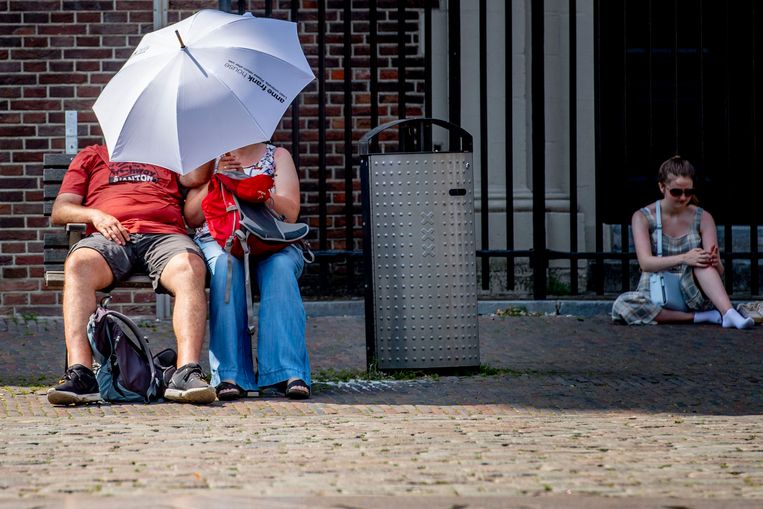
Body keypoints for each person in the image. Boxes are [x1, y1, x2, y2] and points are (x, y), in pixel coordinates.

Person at [47, 144, 217, 405]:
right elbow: (61, 209)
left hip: (164, 235)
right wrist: (95, 215)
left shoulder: (168, 152)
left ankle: (185, 372)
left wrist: (213, 140)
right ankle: (81, 374)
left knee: (190, 267)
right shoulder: (92, 155)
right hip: (110, 236)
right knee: (79, 263)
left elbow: (195, 178)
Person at [183, 142, 312, 401]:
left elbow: (291, 212)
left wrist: (255, 189)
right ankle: (230, 375)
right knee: (226, 266)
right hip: (221, 239)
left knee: (280, 269)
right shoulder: (211, 158)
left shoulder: (277, 156)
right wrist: (217, 178)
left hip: (271, 240)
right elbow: (192, 217)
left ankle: (286, 371)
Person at [612, 155, 754, 329]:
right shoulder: (642, 216)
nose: (683, 198)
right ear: (662, 187)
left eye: (689, 192)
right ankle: (698, 317)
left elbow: (719, 270)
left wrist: (715, 262)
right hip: (657, 291)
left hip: (693, 291)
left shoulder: (703, 217)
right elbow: (646, 263)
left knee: (702, 261)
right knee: (623, 305)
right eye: (676, 192)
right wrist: (684, 258)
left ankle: (729, 313)